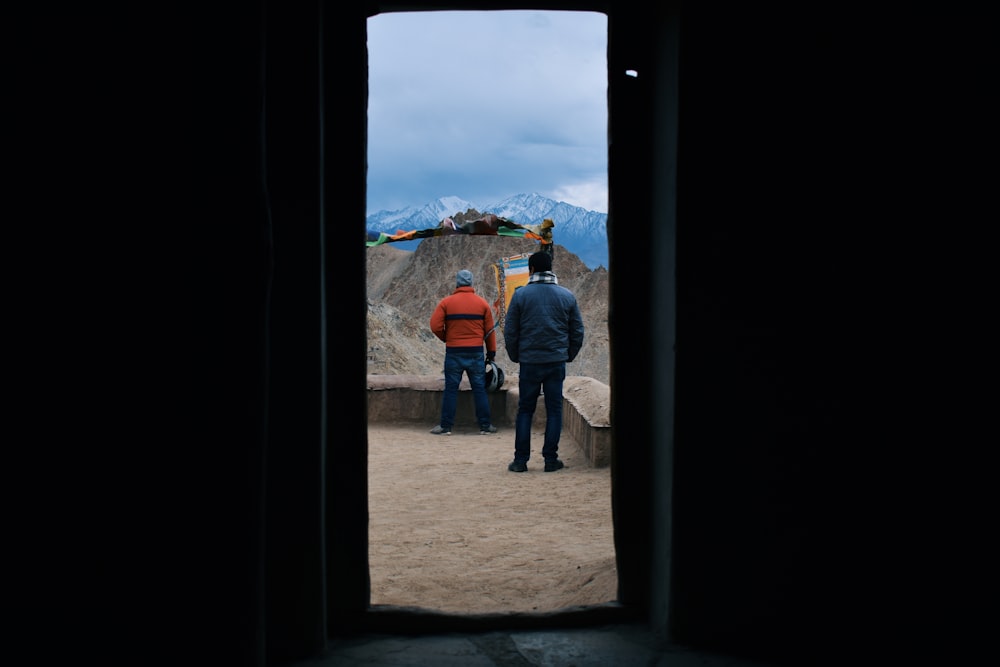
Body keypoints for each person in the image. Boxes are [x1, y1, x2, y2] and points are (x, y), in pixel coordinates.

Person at [503, 251, 584, 472]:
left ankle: (520, 461)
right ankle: (550, 460)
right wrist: (568, 354)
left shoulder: (520, 296)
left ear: (530, 270)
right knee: (555, 410)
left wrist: (516, 356)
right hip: (555, 362)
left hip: (529, 362)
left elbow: (510, 331)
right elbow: (577, 331)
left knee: (525, 410)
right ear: (551, 269)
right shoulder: (567, 296)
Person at [428, 269, 499, 436]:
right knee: (479, 389)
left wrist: (447, 338)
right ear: (471, 283)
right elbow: (489, 332)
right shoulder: (482, 304)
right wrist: (491, 352)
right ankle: (485, 426)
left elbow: (435, 326)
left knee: (451, 389)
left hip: (454, 352)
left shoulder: (446, 302)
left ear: (457, 283)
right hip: (475, 353)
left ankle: (446, 426)